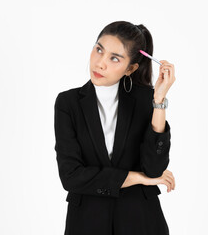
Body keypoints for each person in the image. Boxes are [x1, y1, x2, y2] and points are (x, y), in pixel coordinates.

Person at [54, 21, 176, 235]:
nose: (100, 63)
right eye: (99, 49)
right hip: (86, 222)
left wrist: (158, 100)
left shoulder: (145, 100)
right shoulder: (68, 103)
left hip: (141, 221)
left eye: (114, 58)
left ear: (130, 68)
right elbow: (71, 176)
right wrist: (137, 178)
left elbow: (154, 170)